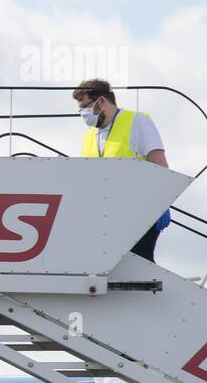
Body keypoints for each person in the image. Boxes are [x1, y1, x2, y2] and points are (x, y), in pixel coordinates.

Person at [72, 78, 171, 260]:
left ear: (101, 101)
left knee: (138, 267)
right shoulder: (89, 136)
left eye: (85, 106)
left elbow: (160, 165)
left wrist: (161, 204)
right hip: (105, 218)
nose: (82, 113)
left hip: (140, 213)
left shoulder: (136, 121)